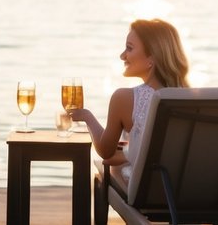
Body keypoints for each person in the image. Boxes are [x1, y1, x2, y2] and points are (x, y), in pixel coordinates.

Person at [70, 18, 190, 181]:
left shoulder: (124, 98)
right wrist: (130, 152)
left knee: (106, 168)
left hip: (148, 195)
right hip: (185, 192)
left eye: (129, 48)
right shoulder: (191, 99)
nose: (122, 56)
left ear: (151, 58)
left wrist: (87, 117)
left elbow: (105, 150)